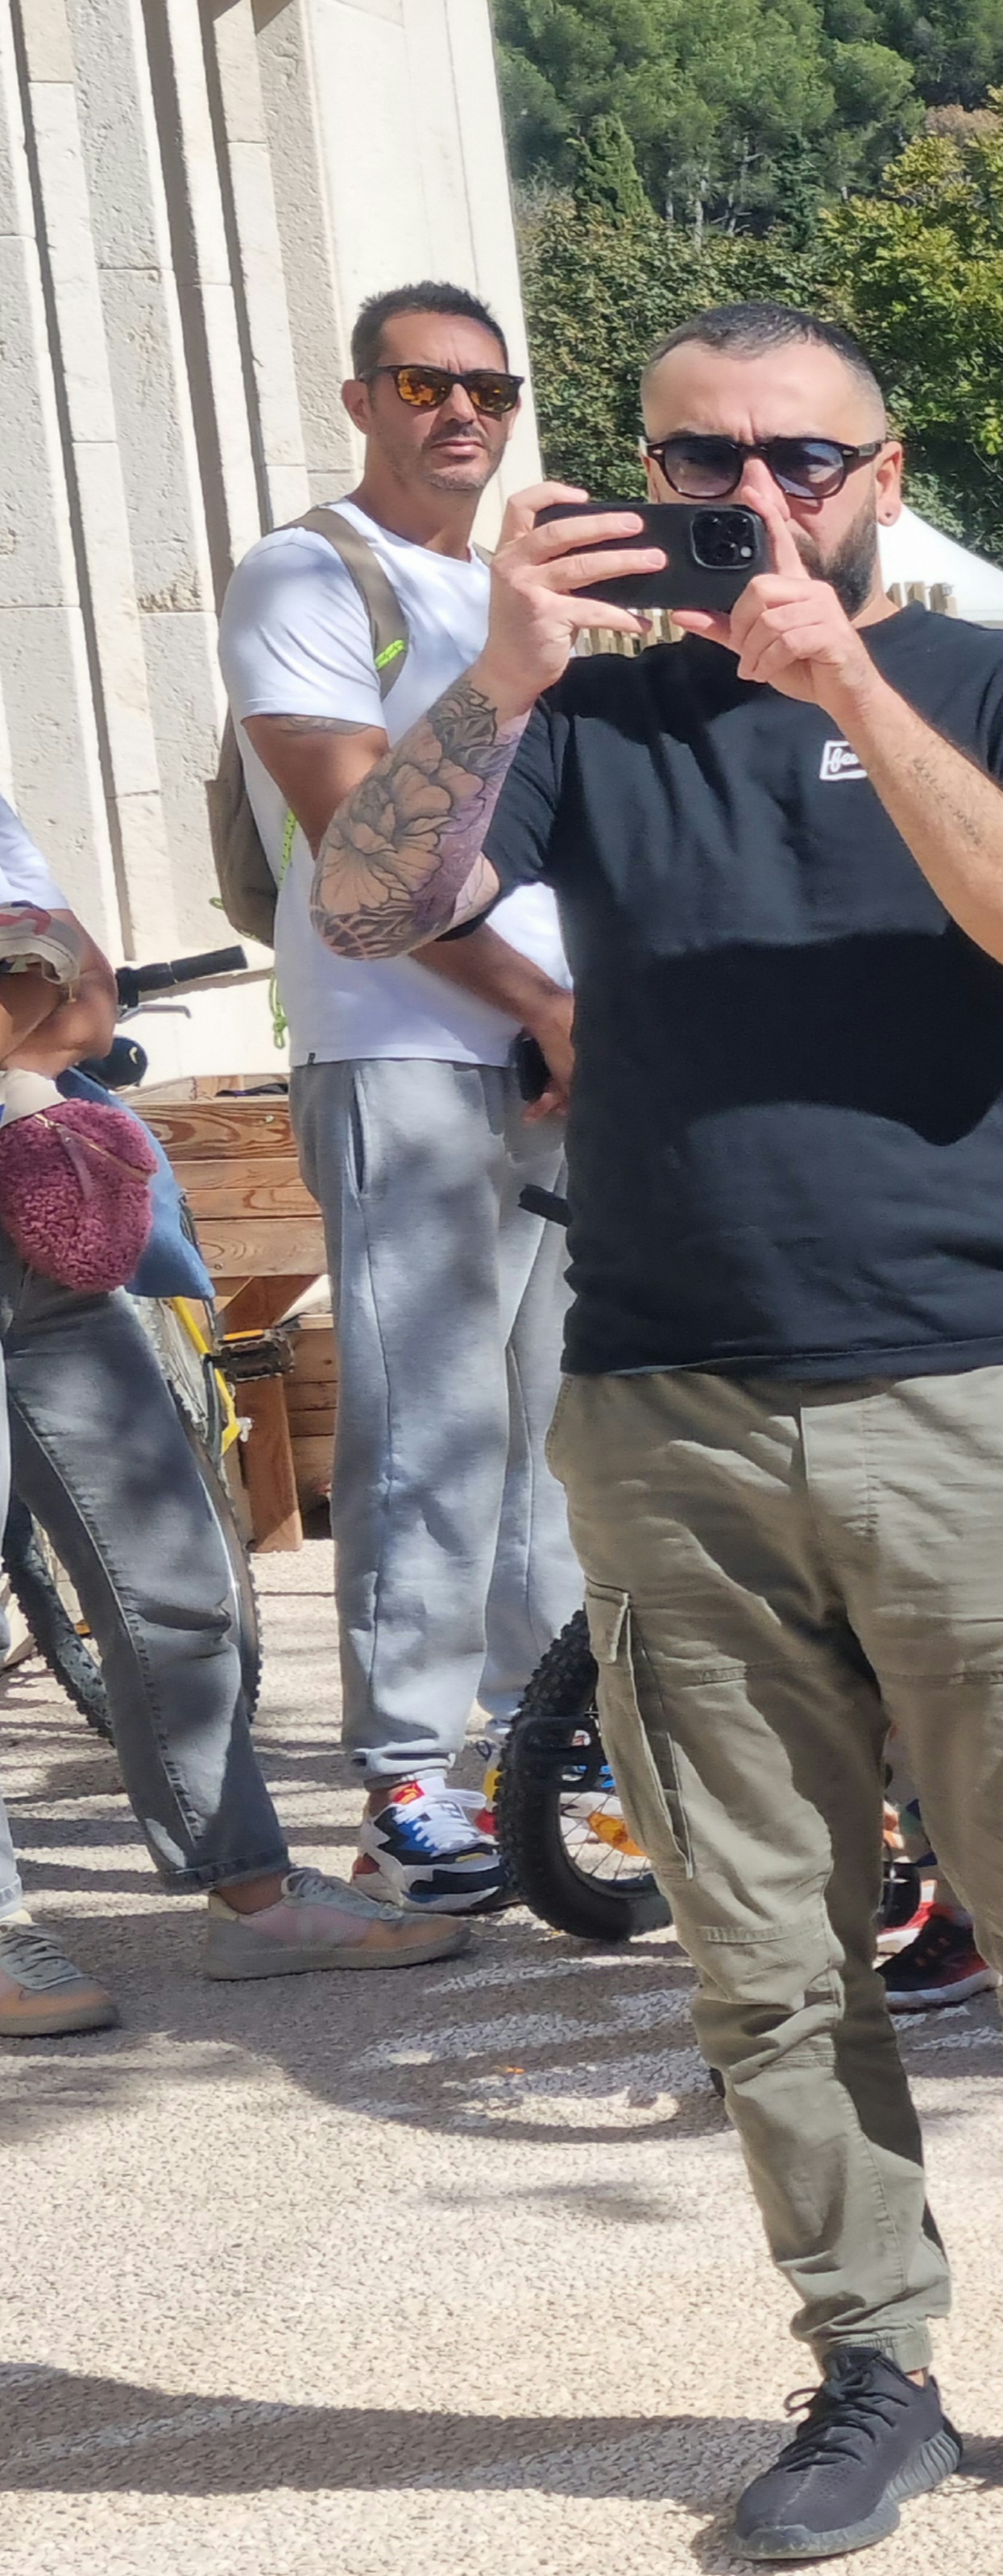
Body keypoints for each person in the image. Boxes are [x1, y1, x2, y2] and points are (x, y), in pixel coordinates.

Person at [307, 296, 1003, 2562]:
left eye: (798, 460)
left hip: (969, 1384)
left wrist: (840, 679)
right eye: (697, 457)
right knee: (764, 1947)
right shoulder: (587, 709)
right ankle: (871, 2363)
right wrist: (505, 667)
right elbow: (361, 902)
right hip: (672, 1404)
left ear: (884, 473)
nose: (750, 496)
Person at [214, 276, 583, 1920]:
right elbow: (358, 831)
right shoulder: (313, 571)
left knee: (556, 1426)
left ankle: (543, 1745)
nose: (463, 414)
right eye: (427, 385)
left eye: (491, 390)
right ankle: (409, 1783)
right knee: (428, 1428)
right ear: (360, 398)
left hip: (566, 1052)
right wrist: (543, 1004)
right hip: (410, 1036)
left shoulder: (525, 586)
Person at [0, 796, 471, 2032]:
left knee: (176, 1581)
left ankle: (252, 1897)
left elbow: (80, 1002)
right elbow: (37, 994)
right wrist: (28, 999)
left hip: (43, 1226)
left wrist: (36, 1000)